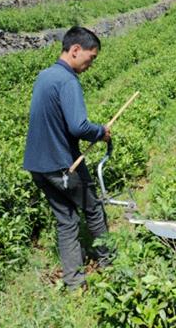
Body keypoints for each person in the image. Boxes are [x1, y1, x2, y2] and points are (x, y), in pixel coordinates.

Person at [23, 26, 112, 291]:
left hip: (38, 166)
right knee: (93, 210)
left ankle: (74, 284)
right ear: (75, 50)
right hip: (63, 165)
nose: (90, 64)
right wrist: (101, 132)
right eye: (91, 57)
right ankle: (110, 263)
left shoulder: (45, 76)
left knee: (66, 220)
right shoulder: (68, 81)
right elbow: (78, 126)